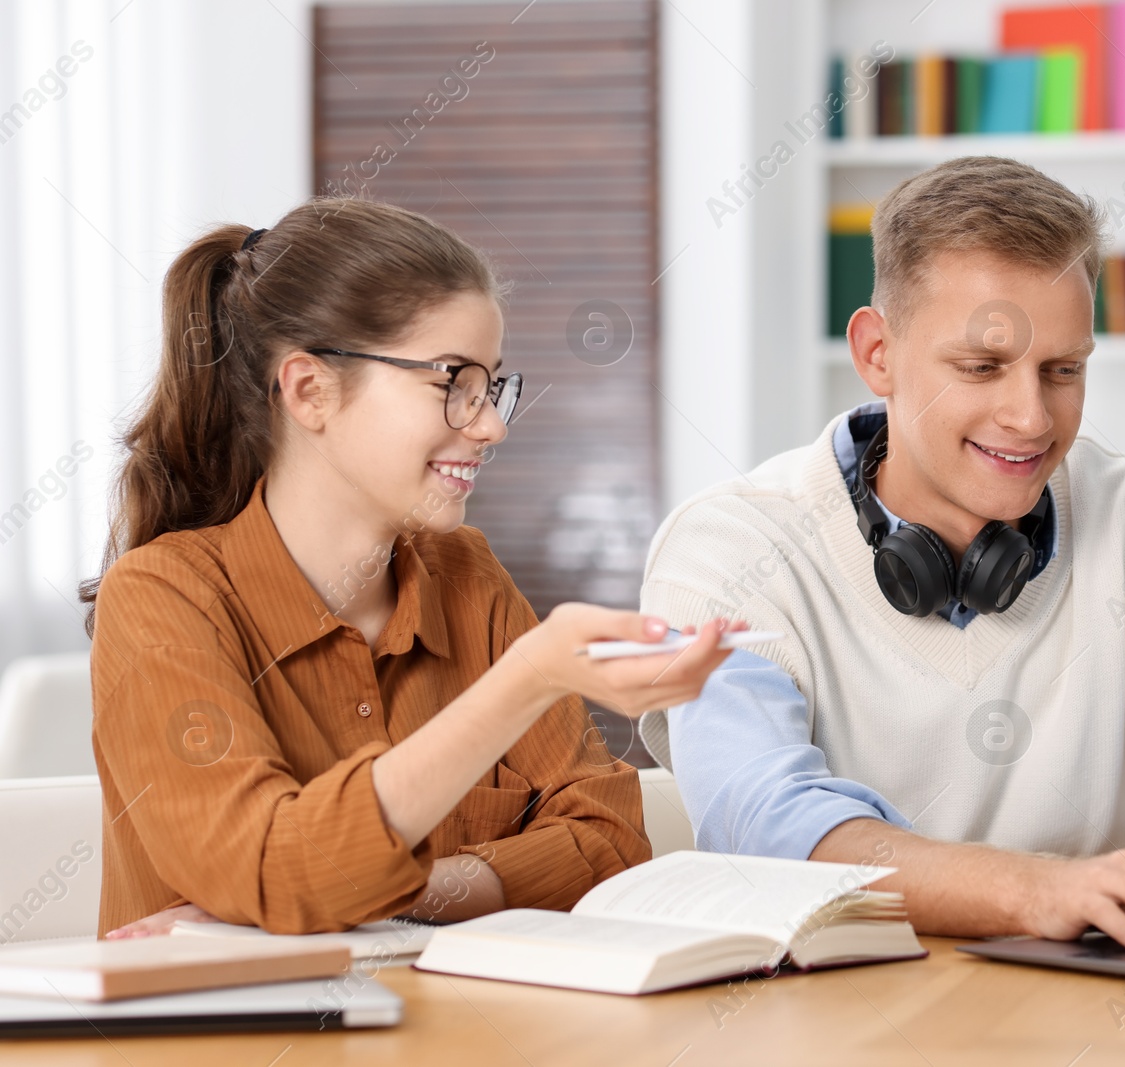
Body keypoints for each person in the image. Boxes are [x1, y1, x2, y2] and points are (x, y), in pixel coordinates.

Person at [638, 156, 1125, 954]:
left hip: (1123, 1022)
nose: (1030, 417)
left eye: (1062, 370)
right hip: (853, 1030)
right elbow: (767, 828)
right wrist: (1040, 888)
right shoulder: (729, 549)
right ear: (878, 352)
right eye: (982, 367)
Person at [85, 198, 736, 938]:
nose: (489, 423)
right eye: (452, 382)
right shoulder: (162, 598)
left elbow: (609, 841)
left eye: (491, 386)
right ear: (309, 390)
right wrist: (529, 678)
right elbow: (274, 870)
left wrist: (404, 889)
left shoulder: (466, 574)